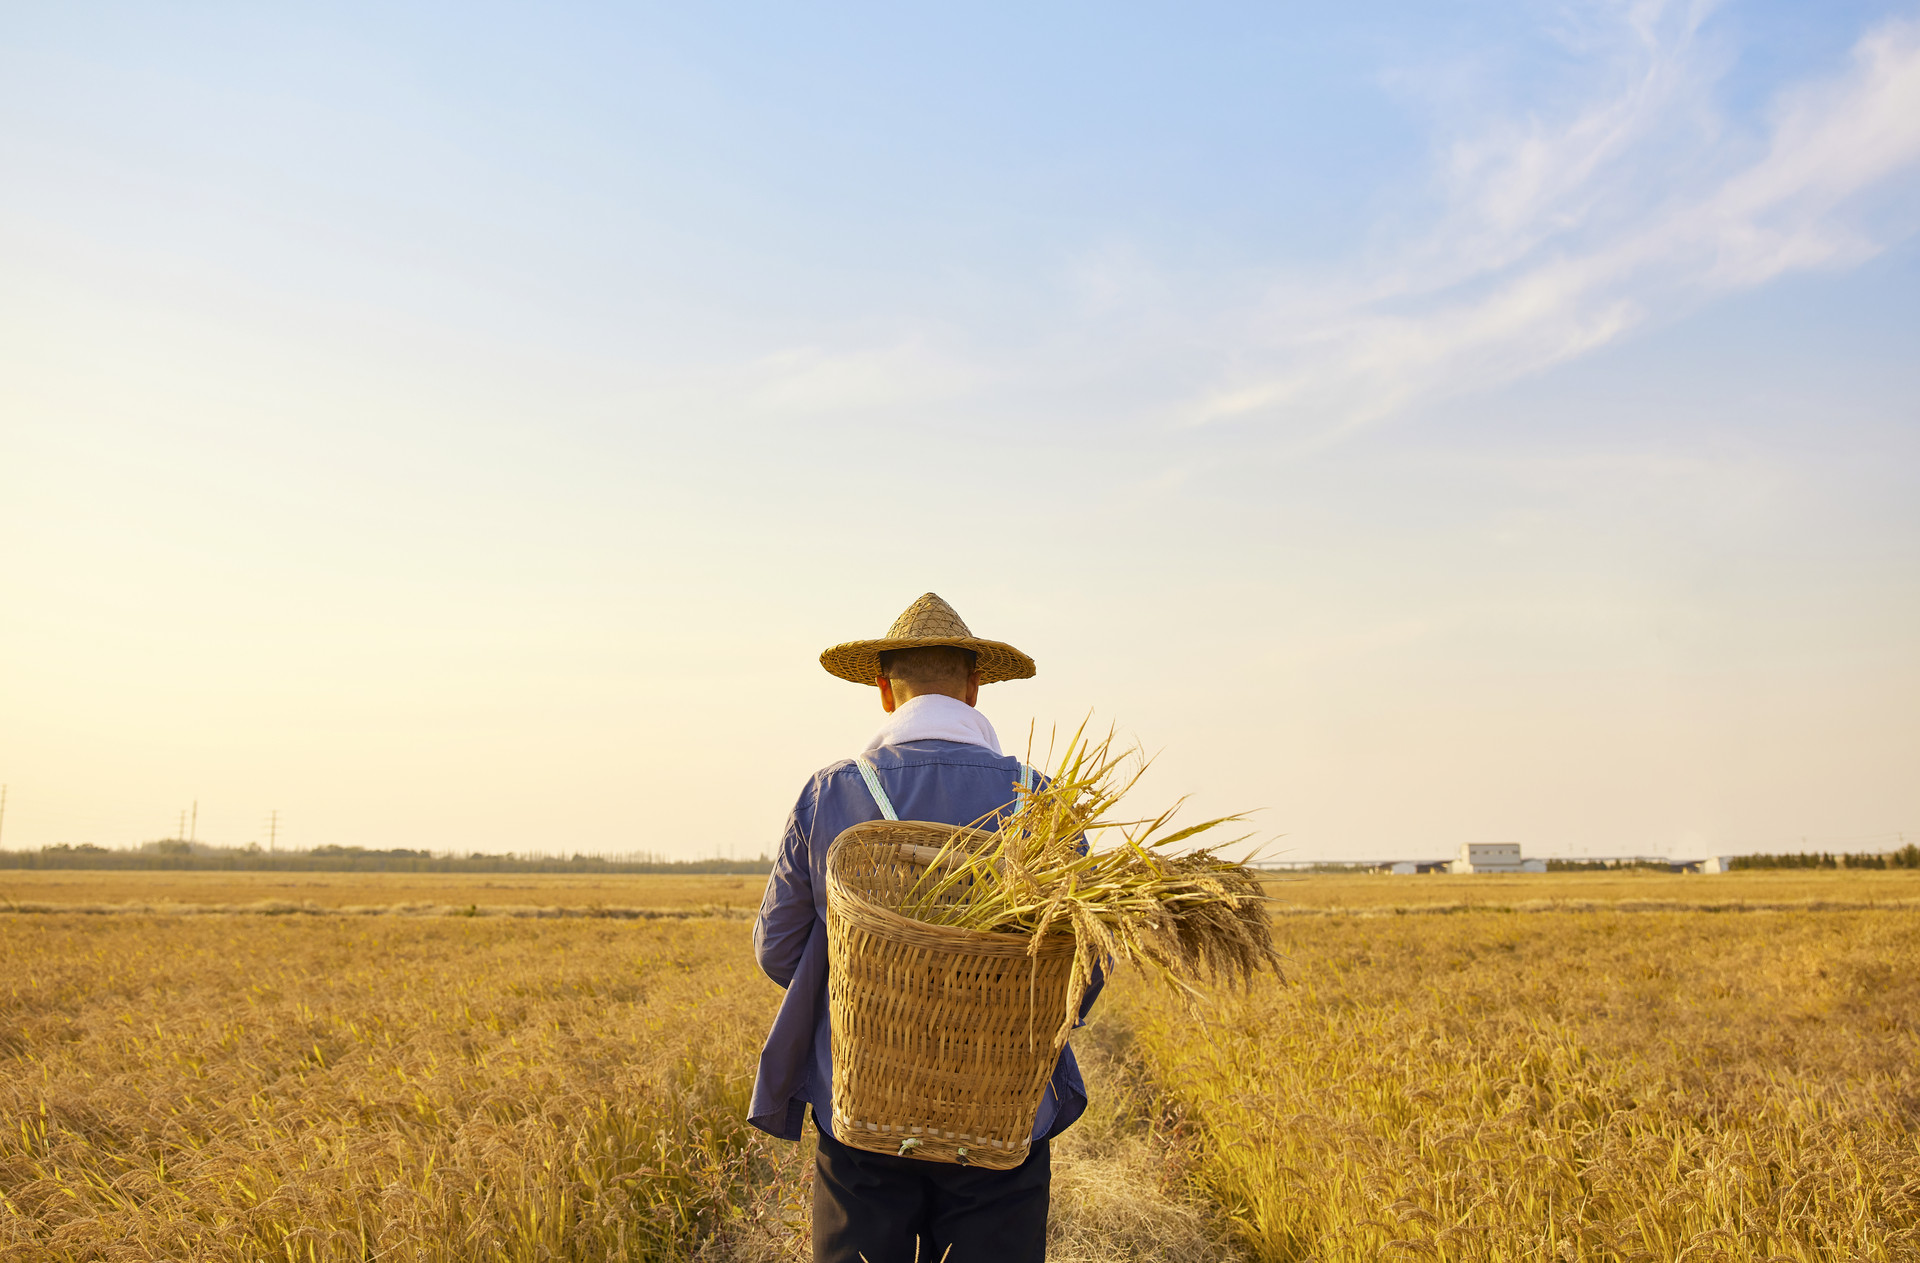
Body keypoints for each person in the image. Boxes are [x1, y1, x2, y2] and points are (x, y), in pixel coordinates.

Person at [750, 592, 1101, 1263]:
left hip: (864, 1103)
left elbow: (778, 949)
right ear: (974, 687)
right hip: (1001, 1108)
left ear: (885, 691)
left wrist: (871, 989)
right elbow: (1086, 960)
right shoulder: (1040, 802)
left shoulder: (831, 792)